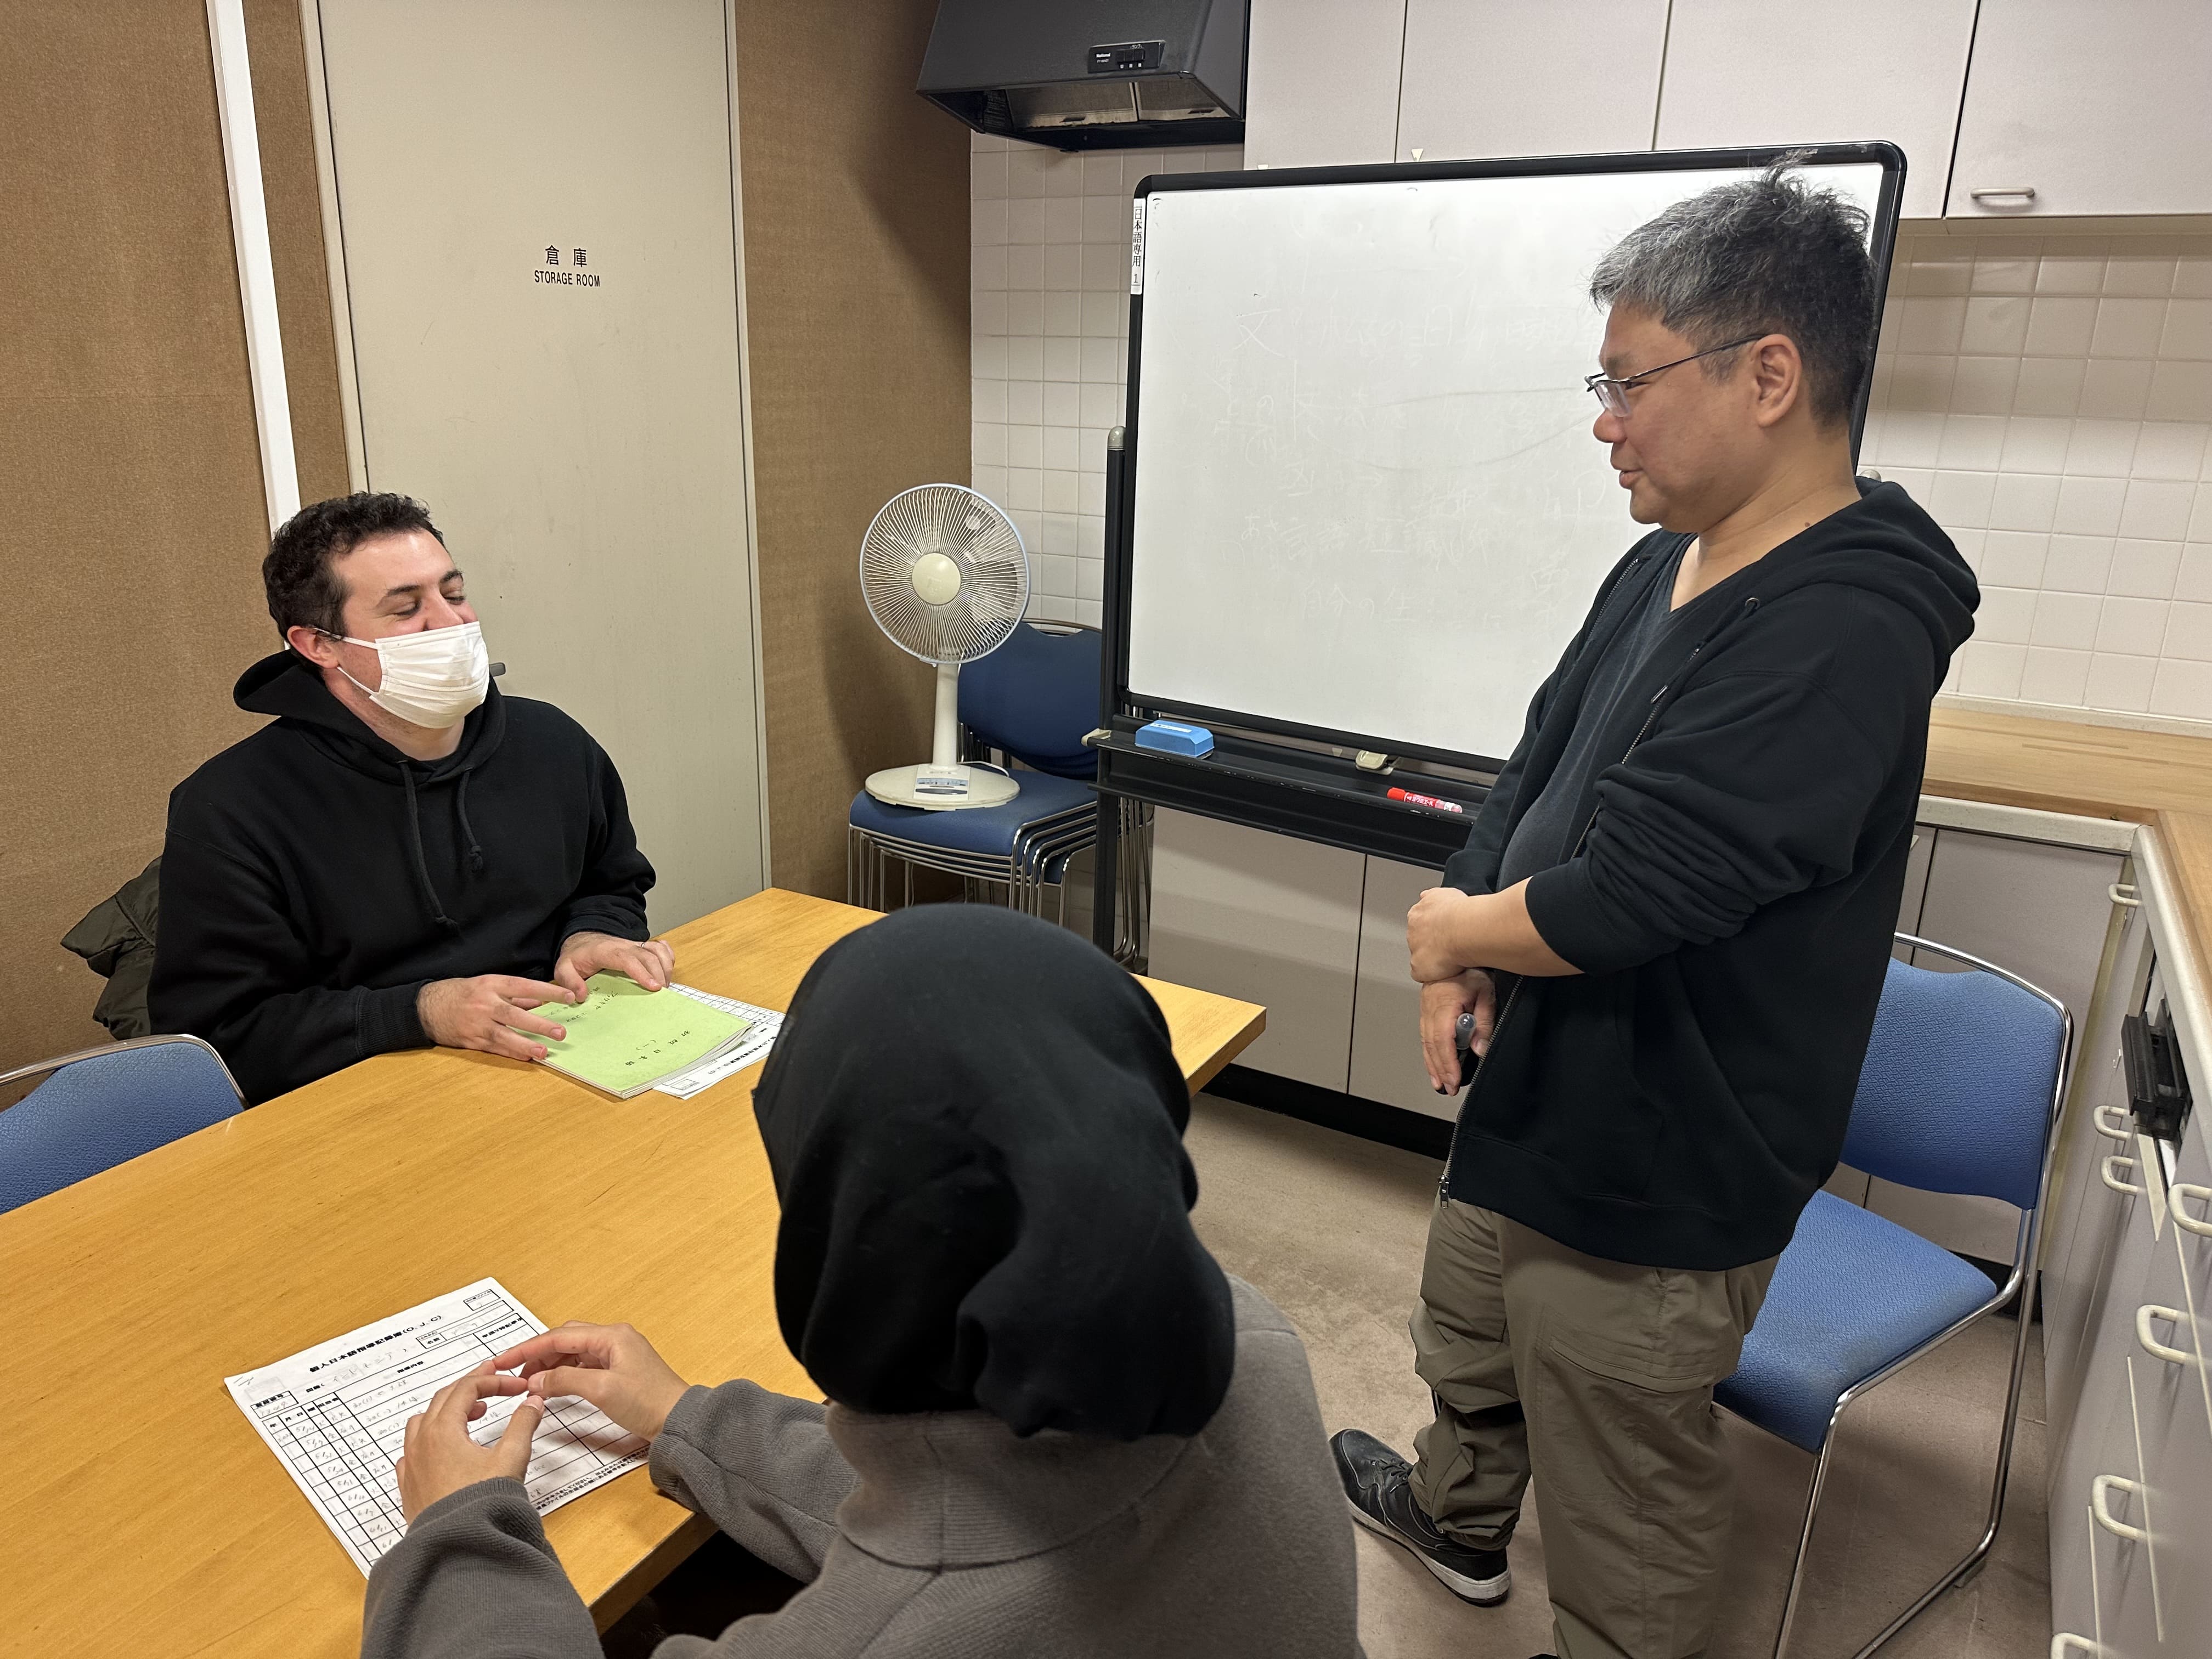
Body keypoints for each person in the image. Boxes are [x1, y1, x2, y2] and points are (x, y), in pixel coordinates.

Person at [1333, 165, 1977, 1659]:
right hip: (1546, 1079)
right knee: (1472, 1332)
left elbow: (1641, 890)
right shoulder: (1663, 557)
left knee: (1626, 1465)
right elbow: (1538, 762)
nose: (1605, 422)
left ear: (1770, 376)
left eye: (1630, 383)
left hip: (1668, 1142)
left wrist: (1450, 940)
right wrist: (1465, 915)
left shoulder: (1846, 625)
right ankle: (1457, 1519)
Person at [361, 904, 1363, 1658]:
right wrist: (687, 1418)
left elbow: (963, 1545)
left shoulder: (884, 1634)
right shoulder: (1253, 1340)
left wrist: (460, 1529)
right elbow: (990, 1490)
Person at [149, 493, 670, 1104]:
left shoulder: (552, 743)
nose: (451, 624)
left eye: (453, 594)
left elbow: (611, 882)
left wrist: (592, 934)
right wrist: (419, 1012)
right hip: (373, 1103)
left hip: (569, 1058)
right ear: (318, 645)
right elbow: (221, 1037)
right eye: (406, 609)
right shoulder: (230, 809)